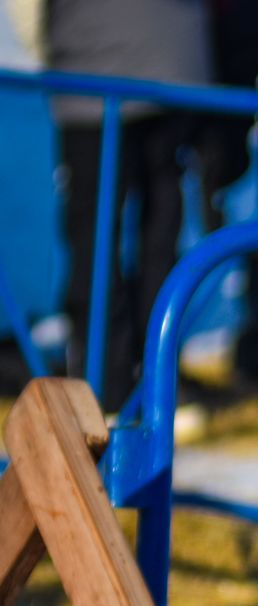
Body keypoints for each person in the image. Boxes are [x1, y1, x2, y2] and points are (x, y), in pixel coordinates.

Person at [45, 0, 211, 412]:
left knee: (96, 237)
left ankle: (106, 386)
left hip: (92, 69)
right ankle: (156, 382)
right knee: (159, 230)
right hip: (178, 64)